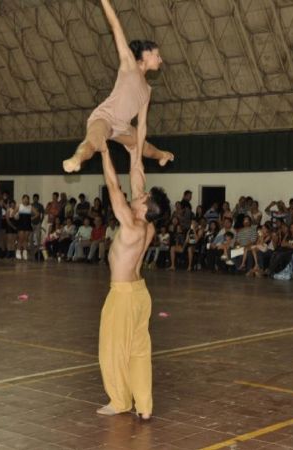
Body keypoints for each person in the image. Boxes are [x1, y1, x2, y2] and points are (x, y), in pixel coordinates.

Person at [94, 112, 170, 421]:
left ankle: (120, 401)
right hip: (141, 295)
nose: (139, 193)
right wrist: (135, 144)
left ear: (144, 207)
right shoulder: (148, 226)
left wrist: (103, 151)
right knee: (139, 352)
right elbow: (137, 170)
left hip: (124, 295)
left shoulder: (131, 223)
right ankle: (145, 406)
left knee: (112, 350)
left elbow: (113, 186)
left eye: (143, 196)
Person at [62, 0, 174, 174]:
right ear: (146, 54)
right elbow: (115, 26)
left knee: (142, 144)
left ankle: (162, 155)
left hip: (122, 127)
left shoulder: (147, 90)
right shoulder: (129, 64)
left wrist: (137, 161)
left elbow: (142, 126)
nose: (160, 60)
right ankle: (76, 159)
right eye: (157, 55)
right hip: (105, 117)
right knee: (94, 140)